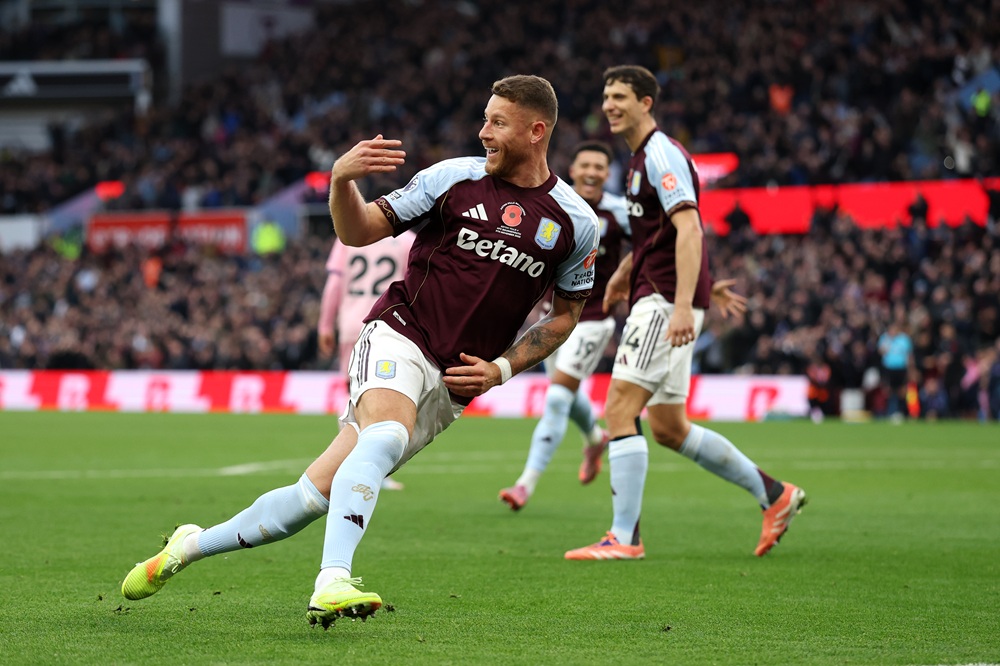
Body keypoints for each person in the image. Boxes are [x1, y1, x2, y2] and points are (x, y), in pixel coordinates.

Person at [120, 74, 600, 627]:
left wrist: (503, 366)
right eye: (484, 118)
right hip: (398, 331)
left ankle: (189, 545)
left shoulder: (574, 223)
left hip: (453, 381)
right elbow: (360, 231)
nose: (482, 131)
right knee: (387, 433)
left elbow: (567, 314)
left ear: (536, 130)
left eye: (497, 122)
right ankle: (332, 581)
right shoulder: (451, 178)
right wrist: (341, 182)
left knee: (308, 500)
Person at [564, 65, 807, 561]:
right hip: (660, 293)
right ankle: (775, 494)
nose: (609, 104)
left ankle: (624, 539)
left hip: (662, 303)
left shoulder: (659, 154)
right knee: (670, 427)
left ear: (646, 102)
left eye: (620, 96)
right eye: (606, 95)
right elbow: (658, 235)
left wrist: (680, 305)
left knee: (619, 410)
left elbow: (691, 229)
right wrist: (625, 272)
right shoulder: (636, 161)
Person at [498, 141, 629, 510]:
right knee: (569, 396)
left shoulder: (618, 212)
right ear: (572, 168)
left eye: (599, 167)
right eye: (585, 164)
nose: (591, 172)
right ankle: (594, 437)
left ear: (607, 173)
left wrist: (627, 273)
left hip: (592, 319)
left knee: (557, 397)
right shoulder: (555, 205)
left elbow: (652, 243)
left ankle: (525, 484)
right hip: (550, 317)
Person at [318, 231, 415, 491]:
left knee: (353, 396)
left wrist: (326, 325)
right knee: (386, 395)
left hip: (351, 325)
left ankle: (347, 466)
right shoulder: (407, 240)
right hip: (389, 325)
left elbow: (334, 284)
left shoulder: (348, 236)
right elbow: (415, 285)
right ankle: (374, 469)